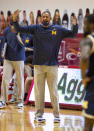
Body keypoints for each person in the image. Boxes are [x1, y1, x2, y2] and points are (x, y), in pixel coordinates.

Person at [12, 9, 78, 123]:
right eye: (43, 17)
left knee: (54, 92)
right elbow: (19, 29)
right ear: (41, 18)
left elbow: (73, 33)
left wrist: (75, 25)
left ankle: (57, 115)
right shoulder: (36, 28)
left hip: (52, 66)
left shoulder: (58, 29)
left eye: (47, 16)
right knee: (39, 92)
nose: (45, 18)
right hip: (38, 66)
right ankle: (38, 115)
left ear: (50, 18)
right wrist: (14, 20)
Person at [0, 17, 25, 109]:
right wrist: (3, 51)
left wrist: (17, 34)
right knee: (5, 79)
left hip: (19, 58)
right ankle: (3, 100)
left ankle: (20, 101)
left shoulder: (22, 30)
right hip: (8, 58)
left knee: (20, 80)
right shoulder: (7, 30)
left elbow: (23, 44)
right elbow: (4, 42)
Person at [80, 14, 94, 131]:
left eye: (85, 24)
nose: (84, 27)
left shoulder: (88, 40)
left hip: (93, 86)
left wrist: (83, 78)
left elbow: (83, 60)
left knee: (88, 124)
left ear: (92, 24)